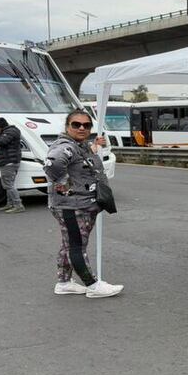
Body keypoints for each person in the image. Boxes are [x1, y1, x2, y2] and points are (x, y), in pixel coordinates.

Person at [43, 110, 123, 298]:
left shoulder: (78, 145)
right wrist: (66, 186)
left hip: (78, 204)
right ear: (67, 127)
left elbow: (80, 160)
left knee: (69, 244)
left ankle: (64, 282)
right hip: (72, 206)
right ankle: (92, 285)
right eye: (76, 124)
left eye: (86, 125)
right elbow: (53, 164)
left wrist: (94, 146)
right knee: (76, 246)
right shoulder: (65, 146)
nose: (81, 128)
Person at [0, 115, 24, 213]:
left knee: (9, 185)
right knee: (8, 184)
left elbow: (0, 141)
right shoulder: (10, 130)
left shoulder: (10, 132)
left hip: (8, 162)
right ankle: (10, 204)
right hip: (10, 161)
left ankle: (18, 205)